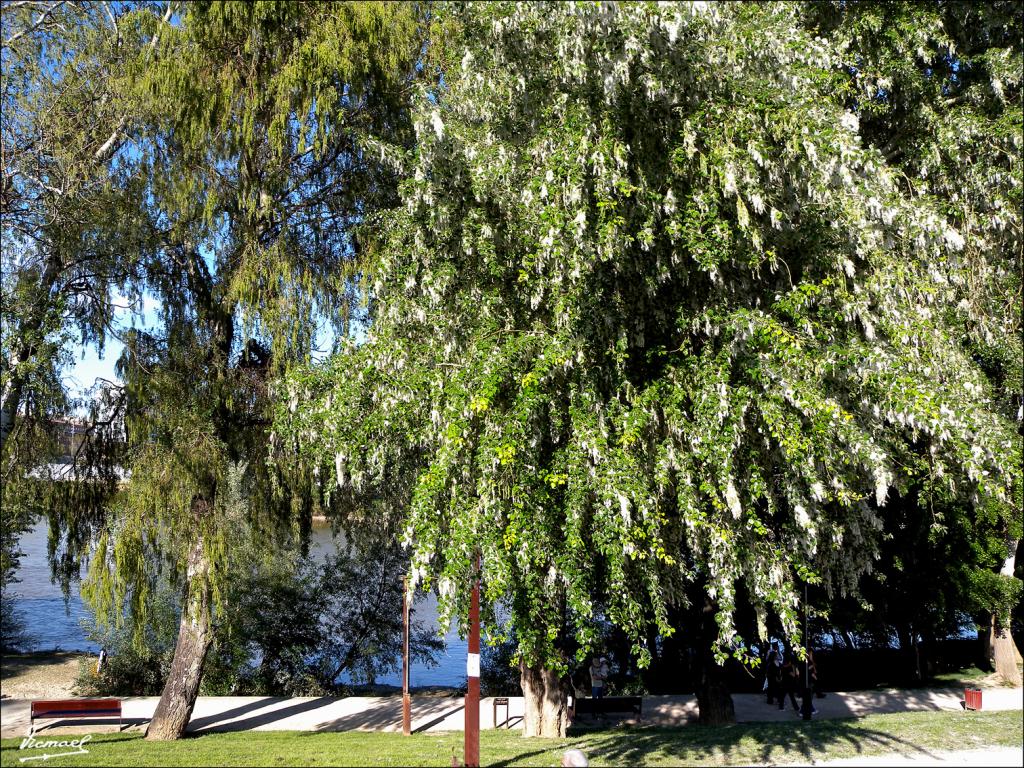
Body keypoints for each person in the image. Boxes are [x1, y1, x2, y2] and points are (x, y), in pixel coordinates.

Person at [765, 641, 783, 705]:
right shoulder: (770, 652)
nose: (776, 647)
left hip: (774, 670)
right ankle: (771, 699)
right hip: (773, 670)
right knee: (772, 686)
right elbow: (768, 659)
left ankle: (774, 699)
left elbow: (780, 658)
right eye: (776, 646)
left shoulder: (776, 652)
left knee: (775, 686)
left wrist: (777, 652)